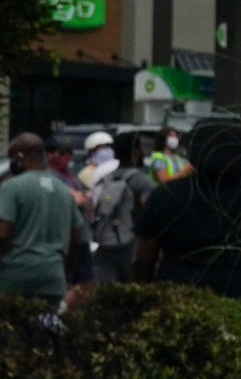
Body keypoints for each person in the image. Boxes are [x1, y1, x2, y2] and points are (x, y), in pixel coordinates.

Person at [132, 117, 241, 304]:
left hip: (174, 304)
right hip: (237, 308)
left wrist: (138, 303)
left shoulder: (165, 195)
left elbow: (142, 259)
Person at [0, 133, 82, 305]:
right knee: (46, 326)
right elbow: (77, 239)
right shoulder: (64, 192)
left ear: (19, 157)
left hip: (14, 280)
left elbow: (3, 233)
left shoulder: (11, 187)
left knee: (11, 328)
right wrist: (63, 270)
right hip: (52, 280)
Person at [82, 131, 148, 283]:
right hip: (132, 248)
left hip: (105, 244)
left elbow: (93, 205)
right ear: (136, 151)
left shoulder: (106, 177)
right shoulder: (142, 180)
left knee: (105, 295)